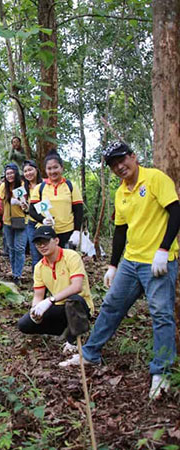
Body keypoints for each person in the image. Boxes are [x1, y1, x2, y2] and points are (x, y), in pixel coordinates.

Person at [60, 142, 180, 400]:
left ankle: (162, 371)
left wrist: (164, 248)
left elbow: (176, 211)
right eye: (113, 164)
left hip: (158, 261)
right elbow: (120, 230)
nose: (119, 167)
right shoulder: (121, 192)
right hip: (131, 261)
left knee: (161, 314)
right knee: (111, 305)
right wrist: (113, 265)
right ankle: (90, 354)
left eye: (122, 160)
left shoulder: (155, 179)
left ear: (133, 157)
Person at [17, 226, 93, 352]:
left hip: (79, 306)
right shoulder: (39, 267)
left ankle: (74, 338)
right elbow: (38, 295)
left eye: (46, 241)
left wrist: (50, 300)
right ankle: (63, 330)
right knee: (24, 324)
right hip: (59, 308)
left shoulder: (71, 256)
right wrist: (35, 310)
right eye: (38, 243)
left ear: (56, 241)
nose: (42, 246)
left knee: (74, 300)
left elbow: (77, 286)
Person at [29, 150, 83, 248]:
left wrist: (77, 231)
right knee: (49, 262)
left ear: (61, 168)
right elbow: (32, 210)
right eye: (49, 168)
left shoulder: (71, 186)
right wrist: (43, 220)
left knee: (67, 261)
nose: (53, 171)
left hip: (67, 232)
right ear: (45, 170)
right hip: (46, 232)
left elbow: (78, 210)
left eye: (55, 167)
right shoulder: (40, 188)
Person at [0, 163, 26, 285]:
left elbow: (27, 201)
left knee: (19, 248)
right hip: (7, 222)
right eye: (7, 173)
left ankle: (17, 275)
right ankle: (14, 271)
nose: (10, 175)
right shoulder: (3, 187)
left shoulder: (22, 185)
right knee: (11, 248)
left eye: (12, 173)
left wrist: (22, 203)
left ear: (16, 173)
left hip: (20, 220)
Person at [21, 160, 43, 267]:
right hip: (31, 223)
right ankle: (37, 281)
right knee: (35, 255)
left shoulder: (45, 185)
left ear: (36, 170)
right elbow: (27, 209)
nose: (28, 173)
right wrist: (24, 207)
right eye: (25, 171)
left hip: (45, 222)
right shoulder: (24, 188)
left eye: (30, 170)